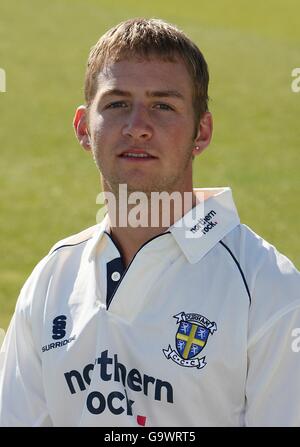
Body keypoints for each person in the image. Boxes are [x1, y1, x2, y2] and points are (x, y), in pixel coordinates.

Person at [0, 18, 299, 428]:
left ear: (202, 131)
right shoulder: (52, 279)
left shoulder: (269, 289)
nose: (137, 127)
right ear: (84, 128)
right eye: (117, 103)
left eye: (163, 106)